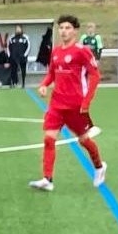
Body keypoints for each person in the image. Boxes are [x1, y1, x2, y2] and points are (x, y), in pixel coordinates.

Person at [30, 15, 106, 192]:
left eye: (67, 28)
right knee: (49, 139)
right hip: (56, 104)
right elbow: (52, 73)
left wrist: (87, 101)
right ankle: (47, 179)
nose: (63, 31)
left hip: (75, 105)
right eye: (61, 28)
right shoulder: (56, 51)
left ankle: (99, 166)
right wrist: (44, 85)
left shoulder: (82, 51)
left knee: (84, 140)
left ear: (75, 31)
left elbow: (95, 76)